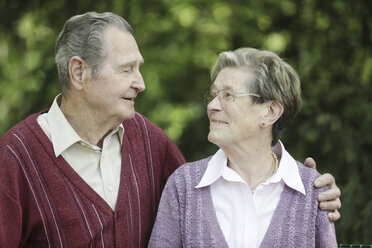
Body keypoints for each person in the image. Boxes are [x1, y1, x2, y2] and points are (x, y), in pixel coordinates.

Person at [0, 12, 339, 247]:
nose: (141, 83)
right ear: (79, 73)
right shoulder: (16, 156)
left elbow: (212, 185)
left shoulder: (147, 140)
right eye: (127, 69)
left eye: (140, 68)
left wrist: (299, 182)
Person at [149, 48, 338, 247]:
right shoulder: (183, 186)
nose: (212, 105)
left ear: (270, 112)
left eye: (228, 95)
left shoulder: (314, 192)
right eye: (213, 95)